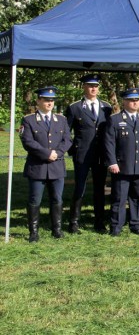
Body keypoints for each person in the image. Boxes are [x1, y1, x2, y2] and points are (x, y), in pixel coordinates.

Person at [104, 87, 139, 236]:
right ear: (124, 101)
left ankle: (136, 224)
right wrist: (112, 162)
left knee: (138, 197)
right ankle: (116, 226)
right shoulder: (115, 119)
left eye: (137, 100)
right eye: (131, 100)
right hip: (122, 166)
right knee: (119, 198)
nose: (135, 103)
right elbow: (109, 143)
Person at [20, 86, 72, 242]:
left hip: (57, 165)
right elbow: (27, 141)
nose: (50, 103)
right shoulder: (28, 119)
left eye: (52, 100)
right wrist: (46, 153)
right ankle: (33, 232)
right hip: (38, 167)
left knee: (57, 199)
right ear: (38, 101)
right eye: (46, 100)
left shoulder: (61, 119)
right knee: (35, 199)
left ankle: (56, 230)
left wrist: (58, 153)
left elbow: (67, 140)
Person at [64, 74, 112, 234]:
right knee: (80, 188)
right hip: (82, 154)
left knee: (100, 189)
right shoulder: (75, 107)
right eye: (90, 85)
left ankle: (99, 222)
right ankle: (73, 223)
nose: (93, 89)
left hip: (100, 155)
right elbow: (65, 132)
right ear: (84, 87)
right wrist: (73, 150)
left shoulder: (107, 107)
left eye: (96, 86)